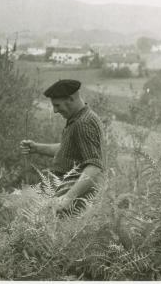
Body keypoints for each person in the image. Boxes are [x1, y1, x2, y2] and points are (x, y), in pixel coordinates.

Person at [20, 79, 105, 215]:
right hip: (61, 192)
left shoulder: (83, 123)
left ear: (70, 99)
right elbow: (68, 149)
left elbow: (94, 166)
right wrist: (36, 148)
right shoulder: (79, 119)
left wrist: (68, 198)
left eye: (57, 105)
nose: (54, 111)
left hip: (69, 199)